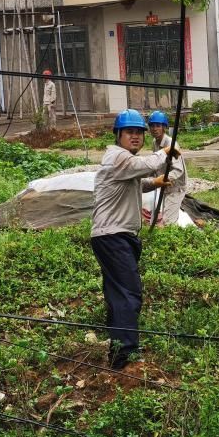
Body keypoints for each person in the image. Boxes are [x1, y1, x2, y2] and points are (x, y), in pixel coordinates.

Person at [90, 109, 181, 370]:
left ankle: (117, 348)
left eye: (139, 133)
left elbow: (135, 182)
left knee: (118, 294)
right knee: (129, 294)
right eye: (130, 132)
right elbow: (144, 165)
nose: (135, 137)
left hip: (114, 236)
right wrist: (165, 152)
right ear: (118, 135)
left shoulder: (123, 162)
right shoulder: (117, 156)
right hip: (114, 236)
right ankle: (126, 354)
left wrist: (156, 183)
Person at [147, 110, 187, 225]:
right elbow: (157, 163)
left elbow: (179, 170)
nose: (155, 129)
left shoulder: (171, 144)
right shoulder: (154, 142)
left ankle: (173, 241)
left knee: (168, 221)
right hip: (164, 185)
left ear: (164, 127)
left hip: (176, 187)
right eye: (152, 126)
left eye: (158, 126)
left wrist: (164, 179)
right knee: (157, 218)